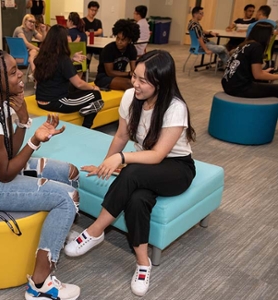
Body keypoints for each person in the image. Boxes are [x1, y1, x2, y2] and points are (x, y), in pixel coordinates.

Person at [0, 48, 81, 300]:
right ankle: (40, 286)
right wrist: (36, 141)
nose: (20, 75)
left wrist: (23, 120)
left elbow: (7, 153)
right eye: (11, 73)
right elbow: (6, 172)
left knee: (69, 172)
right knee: (67, 197)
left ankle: (58, 236)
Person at [64, 50, 196, 297]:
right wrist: (106, 164)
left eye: (143, 81)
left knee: (132, 171)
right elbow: (122, 136)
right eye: (135, 76)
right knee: (137, 200)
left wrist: (121, 159)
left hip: (177, 168)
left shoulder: (175, 108)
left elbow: (157, 155)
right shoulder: (129, 97)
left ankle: (94, 232)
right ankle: (143, 264)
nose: (135, 83)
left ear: (161, 82)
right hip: (145, 166)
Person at [34, 25, 103, 129]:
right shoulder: (63, 59)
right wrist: (93, 87)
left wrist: (71, 60)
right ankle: (86, 127)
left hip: (41, 100)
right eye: (67, 37)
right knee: (96, 95)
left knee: (75, 87)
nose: (69, 39)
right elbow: (79, 83)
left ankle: (86, 109)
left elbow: (55, 68)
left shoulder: (43, 55)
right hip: (57, 102)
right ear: (62, 40)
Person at [222, 22, 278, 98]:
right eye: (271, 35)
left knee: (265, 82)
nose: (272, 38)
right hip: (239, 88)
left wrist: (264, 72)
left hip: (228, 84)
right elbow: (258, 75)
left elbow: (245, 69)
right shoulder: (257, 47)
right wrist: (276, 76)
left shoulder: (245, 44)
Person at [95, 19, 139, 91]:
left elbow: (133, 70)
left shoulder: (132, 49)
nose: (119, 42)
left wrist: (135, 75)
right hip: (104, 78)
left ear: (129, 40)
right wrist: (128, 74)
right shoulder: (109, 49)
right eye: (118, 38)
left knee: (137, 83)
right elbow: (110, 72)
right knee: (128, 84)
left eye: (123, 40)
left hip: (120, 76)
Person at [13, 14, 47, 78]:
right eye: (30, 21)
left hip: (27, 53)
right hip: (18, 56)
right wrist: (39, 49)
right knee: (35, 54)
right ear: (25, 21)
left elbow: (43, 39)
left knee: (36, 56)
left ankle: (34, 75)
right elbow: (26, 43)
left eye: (34, 22)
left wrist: (44, 31)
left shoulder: (32, 30)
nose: (32, 24)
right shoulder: (19, 29)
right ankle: (35, 74)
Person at [82, 1, 103, 68]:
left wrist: (90, 33)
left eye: (95, 10)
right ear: (88, 9)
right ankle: (86, 71)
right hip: (87, 44)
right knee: (87, 54)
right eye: (92, 10)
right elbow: (82, 32)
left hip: (96, 45)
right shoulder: (82, 21)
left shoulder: (98, 22)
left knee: (103, 53)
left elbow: (100, 31)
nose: (93, 12)